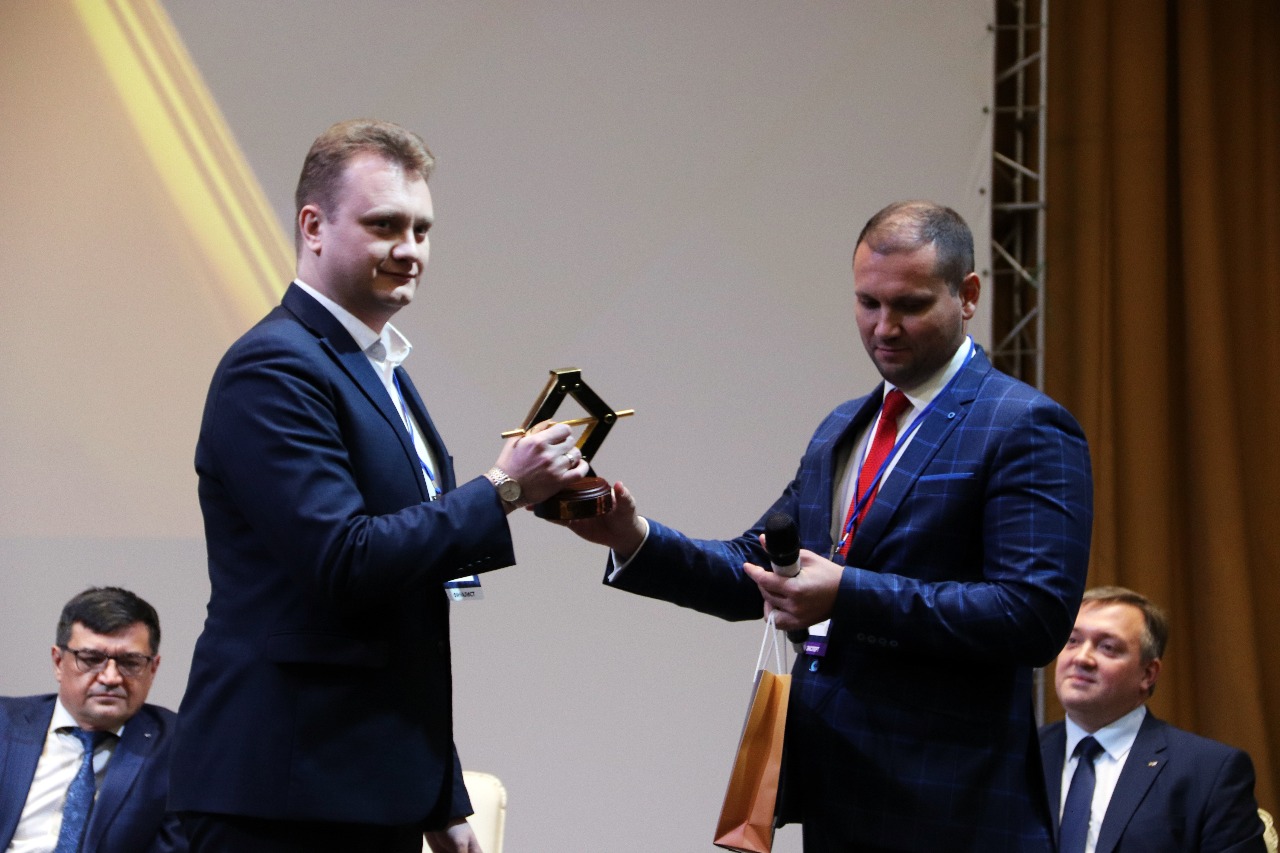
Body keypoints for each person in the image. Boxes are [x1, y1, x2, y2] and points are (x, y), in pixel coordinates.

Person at [563, 200, 1094, 851]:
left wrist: (847, 593)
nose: (884, 327)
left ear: (969, 295)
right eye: (868, 303)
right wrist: (630, 536)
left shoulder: (1024, 425)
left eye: (910, 305)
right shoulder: (844, 426)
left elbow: (1032, 615)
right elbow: (760, 569)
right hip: (838, 800)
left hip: (955, 811)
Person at [168, 119, 587, 853]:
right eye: (385, 225)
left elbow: (401, 616)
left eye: (422, 229)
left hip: (359, 784)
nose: (411, 249)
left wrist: (437, 795)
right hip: (282, 796)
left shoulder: (374, 367)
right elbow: (344, 560)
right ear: (314, 226)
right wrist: (503, 489)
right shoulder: (274, 366)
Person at [1040, 586, 1267, 853]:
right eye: (1072, 641)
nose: (1081, 658)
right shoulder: (1020, 755)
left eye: (1107, 647)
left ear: (1148, 674)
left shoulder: (1210, 772)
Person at [0, 586, 185, 853]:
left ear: (152, 669)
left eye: (130, 662)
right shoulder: (5, 724)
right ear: (58, 662)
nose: (111, 677)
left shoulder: (178, 745)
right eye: (91, 659)